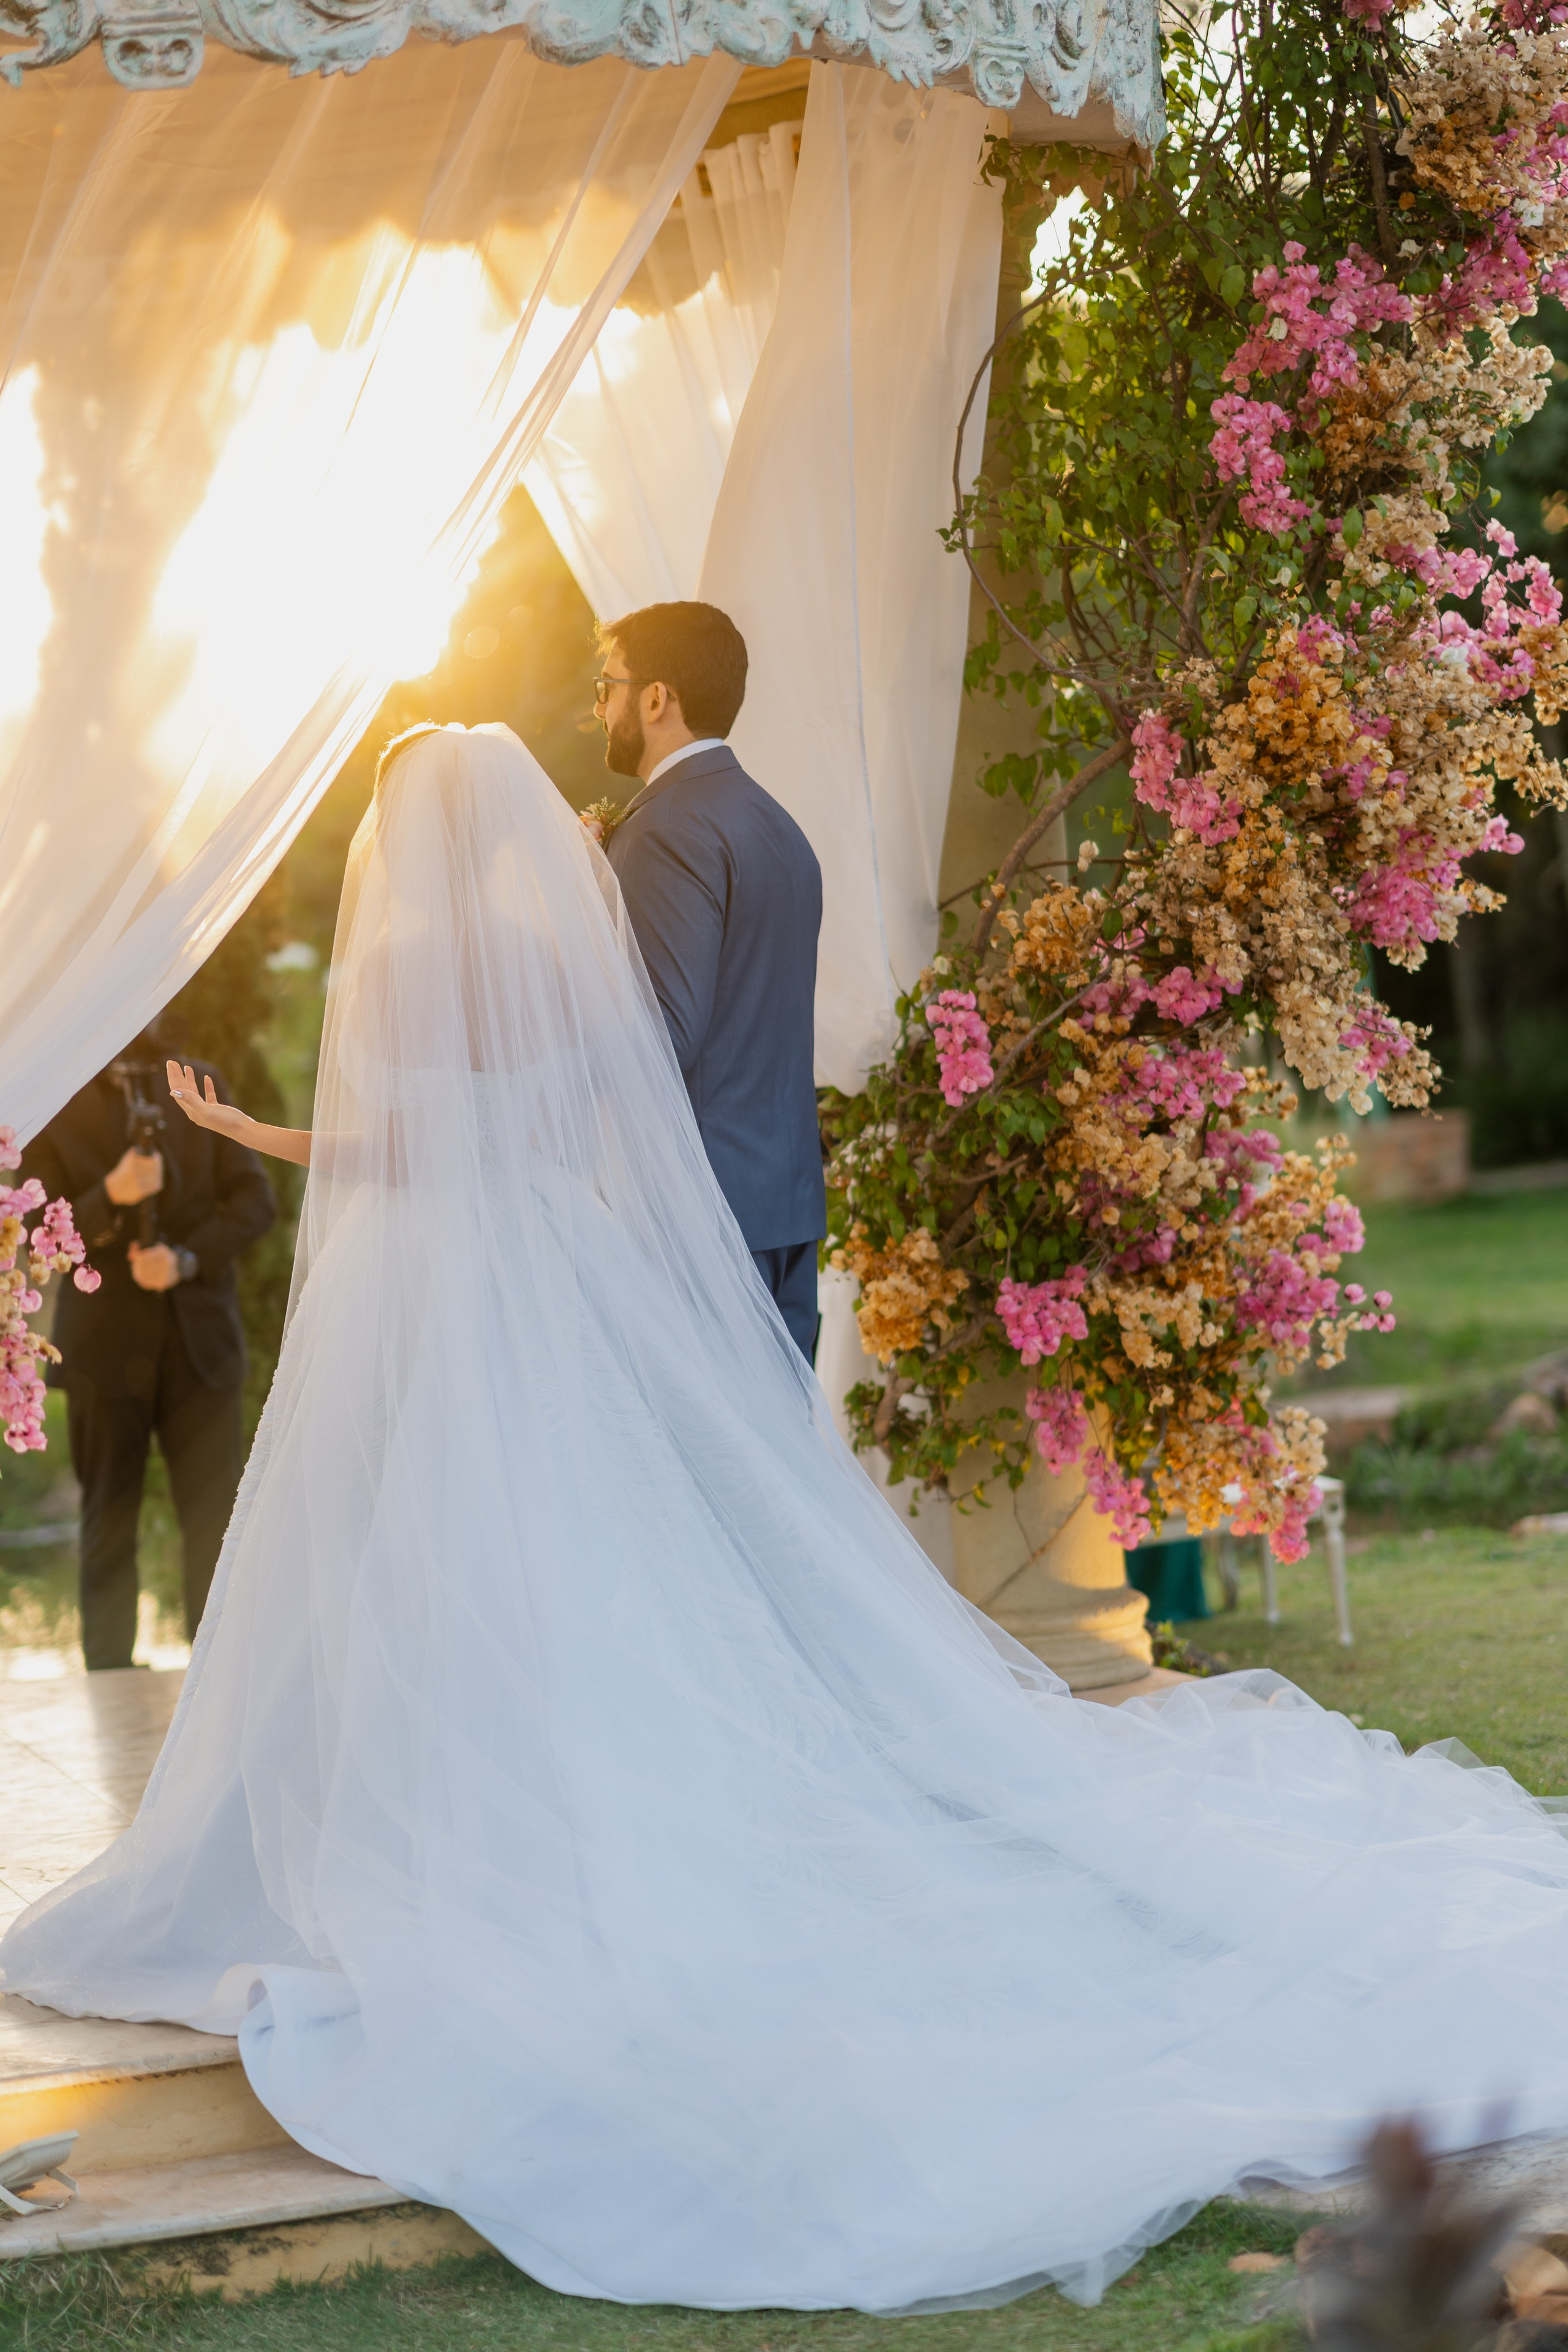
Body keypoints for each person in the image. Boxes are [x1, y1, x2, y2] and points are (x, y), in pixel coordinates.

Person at [4, 726, 1567, 2318]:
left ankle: (444, 1827)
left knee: (416, 1569)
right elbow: (551, 1128)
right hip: (552, 1278)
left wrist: (249, 1134)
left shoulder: (407, 956)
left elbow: (403, 1143)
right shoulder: (557, 942)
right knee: (569, 1567)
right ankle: (567, 1802)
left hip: (439, 1292)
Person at [595, 601, 824, 1362]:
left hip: (698, 1223)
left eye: (607, 685)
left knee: (695, 1475)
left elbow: (663, 1029)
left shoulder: (663, 829)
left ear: (656, 698)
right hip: (784, 1206)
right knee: (779, 1468)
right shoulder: (776, 824)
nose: (599, 707)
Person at [20, 1033, 275, 1670]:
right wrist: (112, 1196)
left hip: (202, 1351)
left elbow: (255, 1202)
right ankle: (109, 1682)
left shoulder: (204, 1081)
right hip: (104, 1353)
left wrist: (186, 1259)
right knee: (108, 1525)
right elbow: (33, 1233)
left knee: (216, 1524)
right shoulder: (56, 1100)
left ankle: (216, 1682)